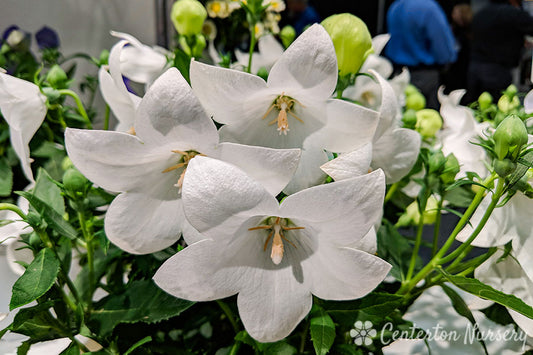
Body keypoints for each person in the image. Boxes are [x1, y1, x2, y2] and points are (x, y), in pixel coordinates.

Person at [384, 0, 457, 109]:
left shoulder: (396, 5)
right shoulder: (429, 8)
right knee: (425, 121)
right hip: (424, 78)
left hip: (397, 74)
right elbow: (444, 50)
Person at [467, 0, 533, 102]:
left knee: (476, 107)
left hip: (475, 67)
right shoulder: (512, 13)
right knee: (499, 109)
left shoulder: (480, 13)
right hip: (498, 71)